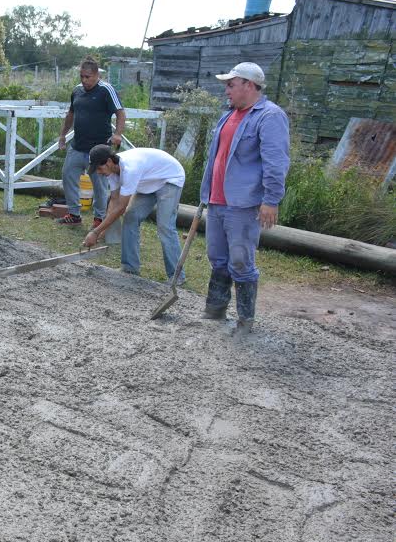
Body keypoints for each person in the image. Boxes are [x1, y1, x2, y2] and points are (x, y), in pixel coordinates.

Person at [199, 62, 290, 334]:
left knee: (240, 261)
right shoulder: (228, 115)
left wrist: (271, 200)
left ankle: (245, 320)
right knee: (218, 258)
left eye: (231, 84)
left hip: (243, 203)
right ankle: (215, 311)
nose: (226, 90)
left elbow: (276, 162)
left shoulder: (269, 116)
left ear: (249, 85)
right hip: (217, 200)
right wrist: (206, 193)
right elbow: (217, 158)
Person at [81, 145, 187, 284]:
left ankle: (177, 276)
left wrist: (95, 232)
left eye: (99, 168)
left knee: (165, 226)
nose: (99, 172)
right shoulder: (112, 172)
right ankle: (130, 267)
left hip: (170, 178)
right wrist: (102, 231)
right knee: (131, 217)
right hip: (148, 181)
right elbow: (114, 200)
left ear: (108, 162)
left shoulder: (130, 169)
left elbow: (120, 207)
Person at [56, 56, 126, 227]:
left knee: (100, 185)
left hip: (99, 149)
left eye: (88, 77)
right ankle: (74, 215)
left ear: (96, 76)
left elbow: (121, 113)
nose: (84, 80)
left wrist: (118, 133)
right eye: (82, 76)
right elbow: (70, 114)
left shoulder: (106, 90)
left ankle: (99, 218)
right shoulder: (77, 91)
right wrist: (63, 134)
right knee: (68, 175)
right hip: (77, 145)